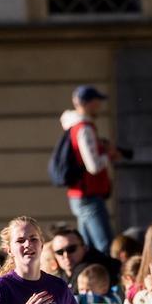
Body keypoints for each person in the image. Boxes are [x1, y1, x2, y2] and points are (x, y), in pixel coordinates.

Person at [59, 85, 119, 253]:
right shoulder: (84, 128)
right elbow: (93, 166)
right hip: (89, 196)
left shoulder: (75, 126)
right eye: (97, 101)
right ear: (89, 103)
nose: (99, 105)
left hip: (81, 195)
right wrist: (108, 155)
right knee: (105, 246)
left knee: (85, 249)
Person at [50, 227, 120, 294]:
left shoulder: (91, 269)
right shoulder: (60, 273)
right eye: (59, 252)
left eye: (71, 249)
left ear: (85, 247)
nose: (66, 256)